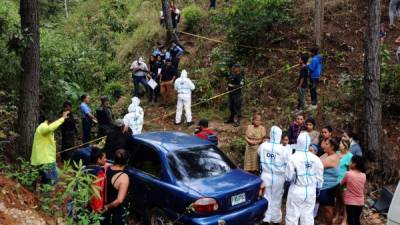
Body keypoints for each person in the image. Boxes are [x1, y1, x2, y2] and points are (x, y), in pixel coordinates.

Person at [285, 132, 324, 225]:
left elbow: (288, 177)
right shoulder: (316, 159)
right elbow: (320, 177)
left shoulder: (293, 158)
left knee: (292, 216)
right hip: (311, 190)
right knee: (308, 216)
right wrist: (318, 189)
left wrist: (286, 186)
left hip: (297, 188)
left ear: (298, 142)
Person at [258, 126, 289, 225]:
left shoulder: (263, 146)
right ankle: (275, 219)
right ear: (280, 136)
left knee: (266, 197)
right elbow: (288, 162)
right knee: (277, 198)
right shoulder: (283, 149)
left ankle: (266, 218)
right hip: (278, 176)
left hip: (265, 175)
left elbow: (258, 154)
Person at [31, 111, 70, 185]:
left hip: (45, 160)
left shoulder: (47, 129)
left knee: (46, 181)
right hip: (45, 161)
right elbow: (49, 129)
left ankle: (42, 195)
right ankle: (45, 195)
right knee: (52, 181)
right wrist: (62, 119)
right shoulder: (43, 126)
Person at [102, 149, 130, 225]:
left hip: (102, 206)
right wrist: (107, 207)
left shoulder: (106, 168)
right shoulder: (123, 177)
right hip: (115, 213)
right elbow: (119, 200)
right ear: (127, 161)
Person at [319, 138, 340, 225]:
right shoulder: (327, 155)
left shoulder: (331, 158)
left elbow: (316, 165)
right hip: (327, 186)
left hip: (328, 187)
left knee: (327, 209)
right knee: (325, 209)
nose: (324, 145)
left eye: (327, 144)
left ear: (332, 147)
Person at [341, 156, 366, 225]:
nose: (349, 163)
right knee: (356, 220)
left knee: (351, 221)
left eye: (350, 161)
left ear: (354, 164)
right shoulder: (363, 175)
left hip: (350, 202)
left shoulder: (348, 174)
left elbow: (341, 184)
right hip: (360, 202)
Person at [334, 138, 353, 225]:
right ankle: (337, 215)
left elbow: (350, 170)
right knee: (337, 200)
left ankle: (345, 219)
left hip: (344, 181)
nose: (339, 145)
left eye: (341, 144)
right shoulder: (336, 153)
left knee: (345, 201)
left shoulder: (350, 156)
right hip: (335, 180)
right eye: (340, 143)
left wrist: (348, 181)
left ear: (346, 146)